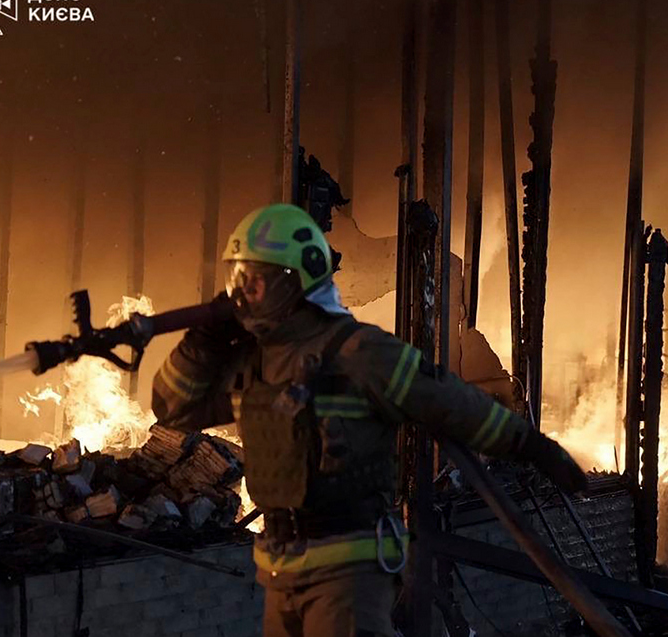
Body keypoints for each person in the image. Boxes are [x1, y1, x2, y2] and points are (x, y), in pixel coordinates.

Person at [152, 203, 587, 637]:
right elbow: (174, 408)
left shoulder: (358, 353)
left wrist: (532, 445)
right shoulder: (257, 362)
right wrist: (201, 343)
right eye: (237, 279)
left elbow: (452, 402)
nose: (241, 294)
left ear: (294, 281)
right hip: (278, 569)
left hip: (348, 573)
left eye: (254, 280)